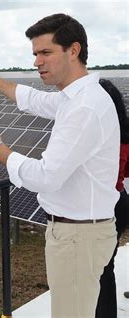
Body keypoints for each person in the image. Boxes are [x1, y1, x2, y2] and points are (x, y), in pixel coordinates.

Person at [0, 13, 119, 317]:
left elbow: (46, 177)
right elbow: (34, 100)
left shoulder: (83, 107)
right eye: (35, 54)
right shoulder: (76, 98)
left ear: (73, 50)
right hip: (79, 233)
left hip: (77, 238)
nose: (37, 62)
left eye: (46, 52)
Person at [95, 79, 129, 318]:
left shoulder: (99, 137)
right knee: (106, 266)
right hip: (121, 202)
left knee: (101, 270)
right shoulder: (124, 136)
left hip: (105, 208)